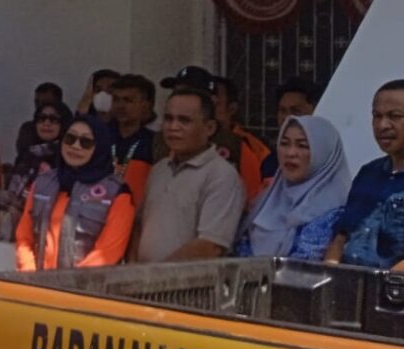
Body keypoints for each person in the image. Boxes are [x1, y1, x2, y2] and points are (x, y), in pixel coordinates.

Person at [131, 88, 245, 263]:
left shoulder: (222, 175)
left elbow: (210, 246)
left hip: (189, 287)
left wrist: (154, 277)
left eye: (184, 120)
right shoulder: (160, 169)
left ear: (209, 128)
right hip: (143, 284)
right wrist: (134, 272)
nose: (173, 127)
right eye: (168, 118)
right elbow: (139, 226)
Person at [15, 115, 134, 270]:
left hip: (83, 290)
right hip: (35, 286)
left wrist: (69, 286)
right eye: (70, 138)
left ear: (100, 147)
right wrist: (29, 276)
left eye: (86, 142)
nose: (75, 146)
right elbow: (24, 237)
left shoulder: (117, 193)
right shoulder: (42, 183)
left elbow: (107, 253)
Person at [234, 115, 349, 260]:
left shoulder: (338, 213)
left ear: (323, 153)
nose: (290, 153)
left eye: (302, 145)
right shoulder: (265, 202)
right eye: (284, 143)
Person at [155, 67, 270, 205]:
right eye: (177, 92)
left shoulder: (236, 146)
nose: (180, 99)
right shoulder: (160, 140)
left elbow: (252, 198)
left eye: (188, 93)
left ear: (211, 101)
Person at [326, 80, 404, 270]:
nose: (382, 125)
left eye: (394, 116)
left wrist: (386, 285)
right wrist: (330, 271)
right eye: (376, 116)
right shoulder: (369, 173)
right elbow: (342, 235)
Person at [104, 73, 157, 202]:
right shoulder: (100, 136)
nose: (120, 106)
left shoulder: (155, 142)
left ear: (145, 105)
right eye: (116, 99)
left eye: (128, 100)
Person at [6, 98, 69, 198]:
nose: (46, 123)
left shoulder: (67, 159)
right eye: (42, 118)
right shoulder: (27, 155)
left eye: (53, 119)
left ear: (64, 124)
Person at [11, 83, 65, 177]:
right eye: (37, 102)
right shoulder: (28, 129)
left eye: (45, 102)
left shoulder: (69, 137)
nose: (47, 123)